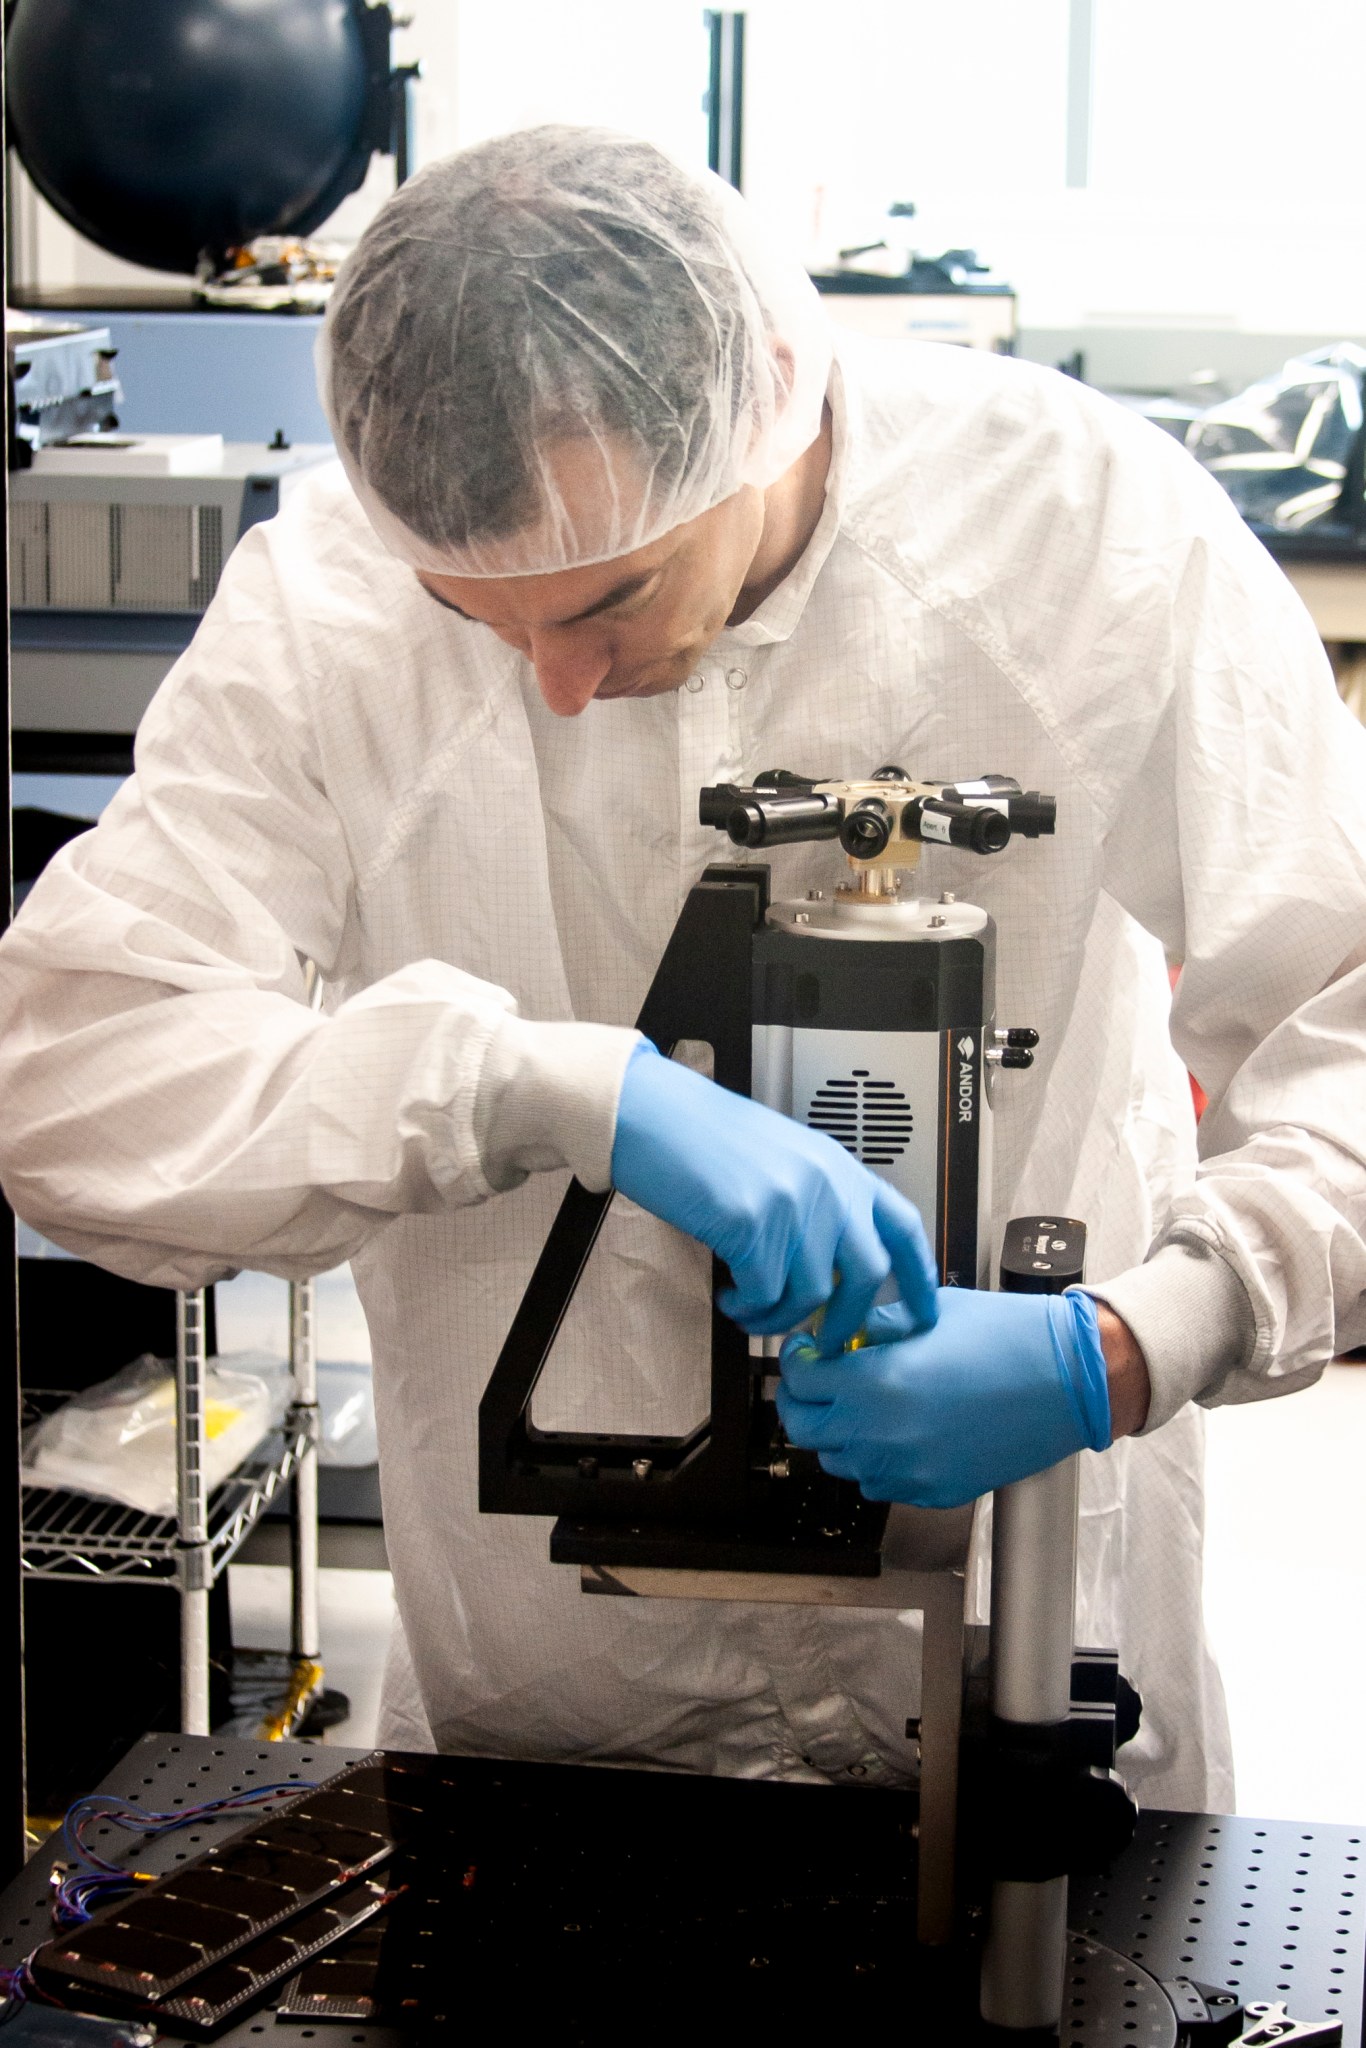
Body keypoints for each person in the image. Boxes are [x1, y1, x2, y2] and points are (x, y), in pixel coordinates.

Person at [2, 127, 1363, 1813]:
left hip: (1011, 1630)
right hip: (555, 1669)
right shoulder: (329, 609)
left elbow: (1346, 1013)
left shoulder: (1085, 539)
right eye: (483, 622)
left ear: (766, 407)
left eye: (612, 598)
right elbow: (71, 1076)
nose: (557, 689)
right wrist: (533, 1084)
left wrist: (1136, 1339)